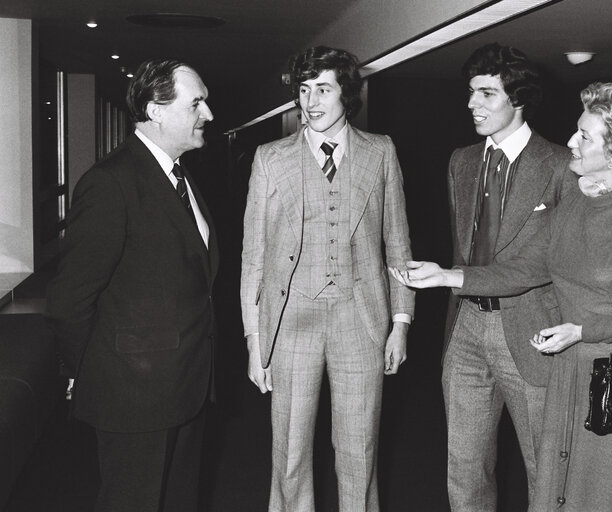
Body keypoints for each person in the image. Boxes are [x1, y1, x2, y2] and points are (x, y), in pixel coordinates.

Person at [391, 82, 612, 511]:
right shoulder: (571, 207)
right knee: (560, 495)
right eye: (577, 130)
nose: (570, 141)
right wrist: (447, 276)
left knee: (610, 498)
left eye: (585, 136)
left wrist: (582, 330)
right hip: (571, 374)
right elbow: (526, 268)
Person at [240, 46, 415, 512]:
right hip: (291, 320)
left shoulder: (381, 152)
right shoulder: (269, 158)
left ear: (347, 94)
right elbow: (253, 259)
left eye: (322, 88)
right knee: (290, 453)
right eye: (303, 90)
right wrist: (255, 341)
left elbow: (397, 244)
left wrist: (401, 322)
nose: (310, 101)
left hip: (361, 321)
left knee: (359, 449)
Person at [45, 59, 217, 511]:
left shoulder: (180, 176)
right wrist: (87, 371)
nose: (209, 114)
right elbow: (70, 299)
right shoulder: (110, 182)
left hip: (185, 386)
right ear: (156, 110)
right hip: (133, 396)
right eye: (197, 103)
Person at [437, 43, 573, 511]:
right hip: (466, 331)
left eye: (487, 94)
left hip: (530, 331)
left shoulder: (559, 166)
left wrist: (451, 277)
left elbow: (545, 263)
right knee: (465, 469)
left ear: (518, 99)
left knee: (545, 469)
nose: (472, 103)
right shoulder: (462, 161)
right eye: (471, 92)